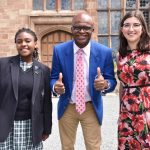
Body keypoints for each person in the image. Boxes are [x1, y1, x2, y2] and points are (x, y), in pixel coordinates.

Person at [50, 12, 117, 150]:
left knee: (93, 146)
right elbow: (53, 78)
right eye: (77, 27)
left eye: (86, 28)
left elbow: (111, 80)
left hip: (91, 106)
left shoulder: (105, 52)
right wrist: (55, 87)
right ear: (71, 29)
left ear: (92, 30)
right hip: (67, 106)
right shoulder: (59, 50)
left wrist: (105, 84)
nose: (81, 31)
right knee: (67, 146)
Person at [0, 27, 52, 150]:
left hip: (31, 126)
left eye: (27, 41)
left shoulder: (43, 70)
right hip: (5, 125)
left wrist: (47, 128)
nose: (23, 44)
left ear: (35, 43)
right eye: (19, 41)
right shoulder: (3, 65)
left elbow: (46, 102)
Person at [117, 10, 150, 149]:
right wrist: (120, 111)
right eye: (127, 25)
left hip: (147, 110)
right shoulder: (121, 54)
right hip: (127, 113)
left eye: (136, 25)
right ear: (122, 29)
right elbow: (122, 86)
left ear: (142, 28)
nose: (131, 29)